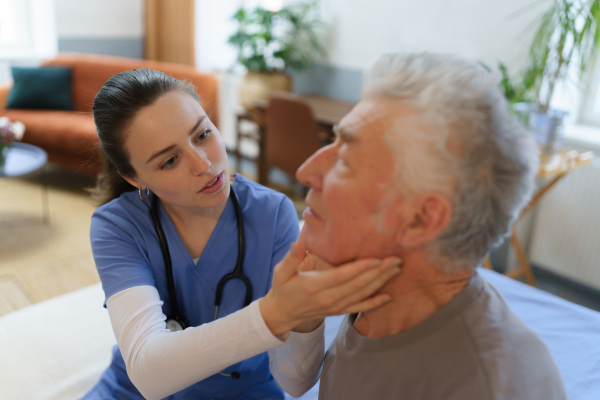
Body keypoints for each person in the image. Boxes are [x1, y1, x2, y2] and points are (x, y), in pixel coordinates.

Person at [82, 68, 402, 400]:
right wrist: (278, 311)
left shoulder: (273, 213)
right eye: (170, 161)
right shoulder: (117, 226)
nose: (203, 164)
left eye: (202, 134)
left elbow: (295, 382)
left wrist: (306, 312)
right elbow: (148, 373)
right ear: (135, 179)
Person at [269, 52, 568, 399]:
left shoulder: (490, 387)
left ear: (421, 219)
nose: (305, 171)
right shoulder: (373, 282)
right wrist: (301, 312)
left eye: (345, 161)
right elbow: (295, 380)